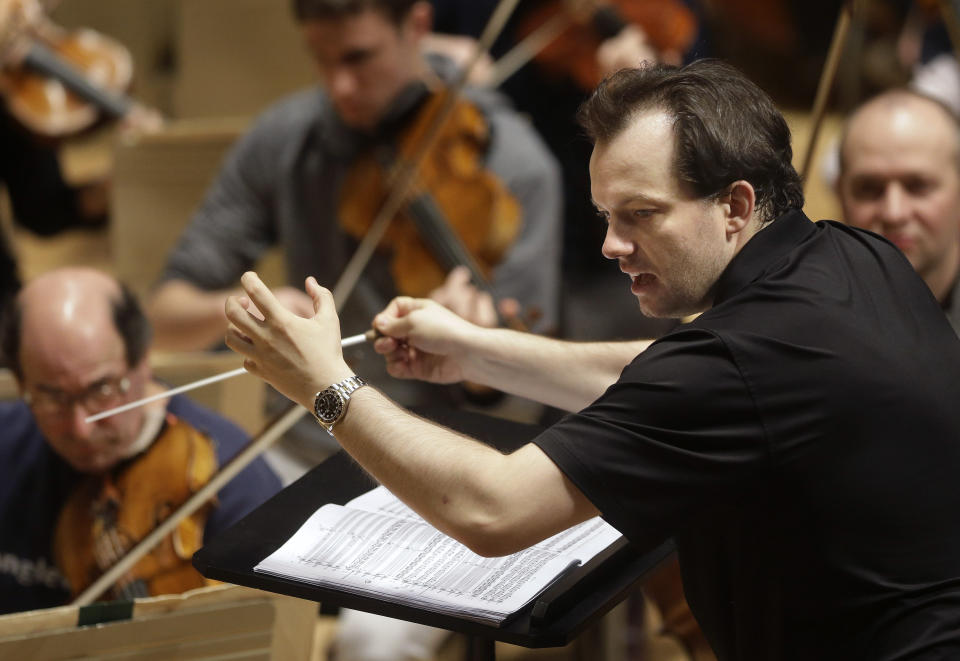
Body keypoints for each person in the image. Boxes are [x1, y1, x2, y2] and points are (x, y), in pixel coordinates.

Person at [224, 59, 960, 659]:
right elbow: (664, 375)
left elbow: (493, 508)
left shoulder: (736, 360)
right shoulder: (850, 256)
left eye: (641, 214)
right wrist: (477, 347)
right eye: (606, 216)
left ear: (735, 206)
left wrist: (325, 385)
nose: (611, 245)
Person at [146, 0, 562, 354]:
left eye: (358, 57)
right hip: (307, 434)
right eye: (320, 58)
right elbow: (164, 316)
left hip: (447, 437)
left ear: (417, 26)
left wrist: (474, 354)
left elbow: (522, 389)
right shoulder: (284, 137)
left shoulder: (514, 164)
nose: (338, 86)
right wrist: (244, 311)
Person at [0, 267, 281, 615]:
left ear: (143, 360)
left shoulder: (234, 480)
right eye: (52, 397)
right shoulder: (7, 442)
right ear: (22, 383)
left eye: (101, 389)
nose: (81, 428)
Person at [837, 88, 960, 334]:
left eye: (918, 186)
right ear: (840, 193)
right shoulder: (805, 327)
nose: (894, 213)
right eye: (869, 188)